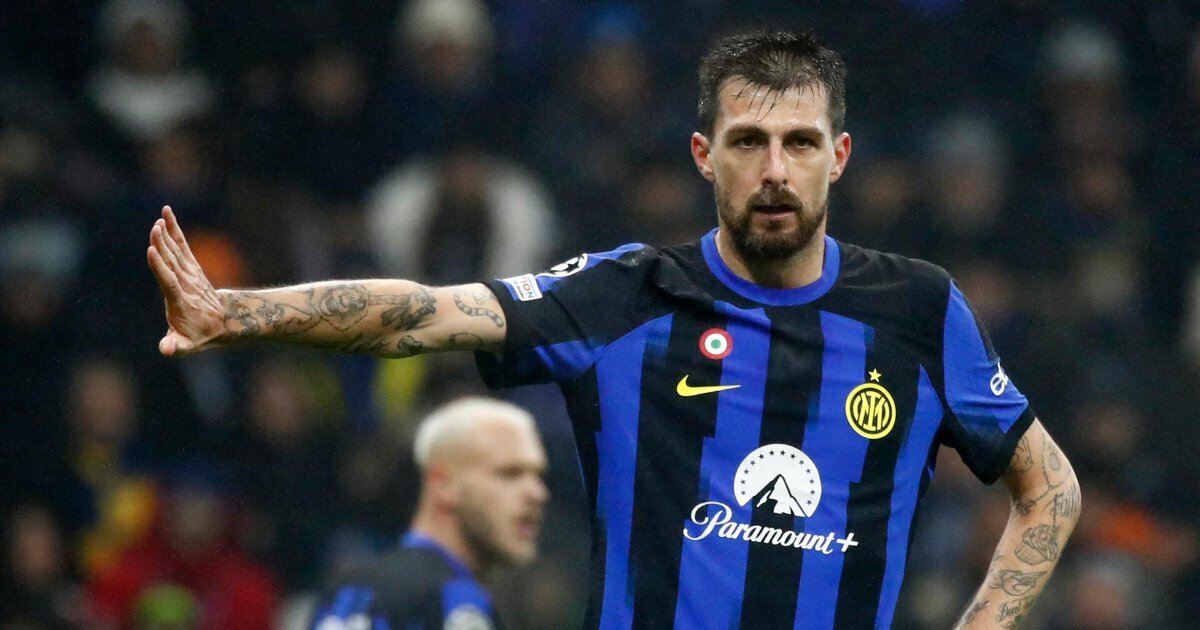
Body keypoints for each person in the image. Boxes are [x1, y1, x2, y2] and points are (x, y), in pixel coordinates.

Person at [147, 30, 1080, 629]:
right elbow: (427, 313)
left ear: (837, 157)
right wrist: (237, 313)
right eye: (747, 142)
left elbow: (1051, 490)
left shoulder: (918, 310)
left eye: (799, 143)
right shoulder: (628, 294)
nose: (774, 169)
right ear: (703, 155)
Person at [308, 397, 549, 628]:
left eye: (538, 475)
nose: (537, 493)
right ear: (443, 483)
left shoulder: (346, 593)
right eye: (509, 473)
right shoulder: (455, 602)